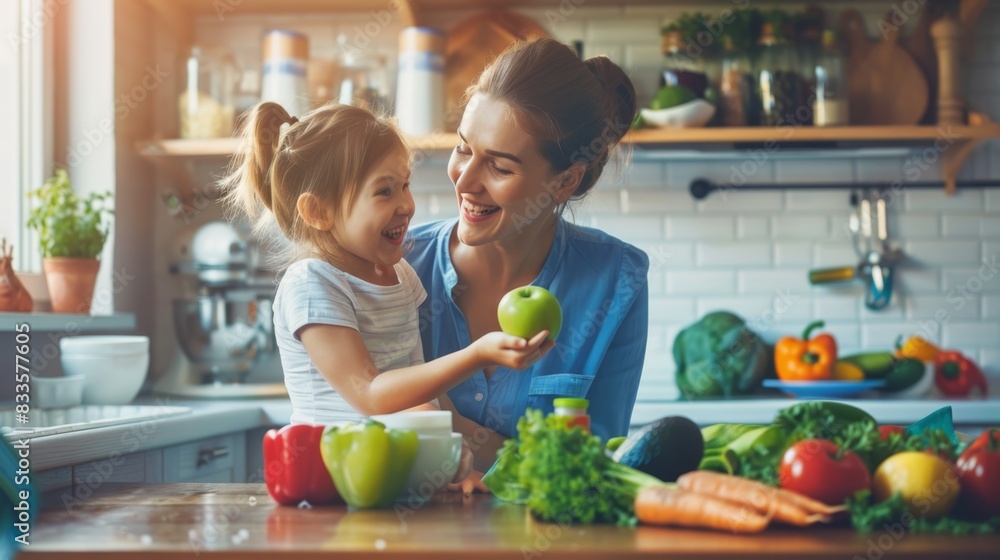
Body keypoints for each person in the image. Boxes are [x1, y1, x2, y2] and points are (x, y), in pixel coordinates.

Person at [220, 102, 553, 441]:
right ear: (318, 211)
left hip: (392, 467)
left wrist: (470, 457)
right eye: (384, 191)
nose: (407, 205)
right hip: (331, 475)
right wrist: (477, 355)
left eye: (405, 185)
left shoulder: (401, 276)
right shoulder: (312, 283)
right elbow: (369, 394)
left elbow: (423, 398)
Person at [407, 38, 649, 491]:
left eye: (499, 167)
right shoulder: (397, 266)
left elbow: (590, 468)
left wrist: (452, 426)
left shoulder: (616, 281)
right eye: (463, 149)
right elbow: (363, 415)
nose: (465, 179)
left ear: (565, 181)